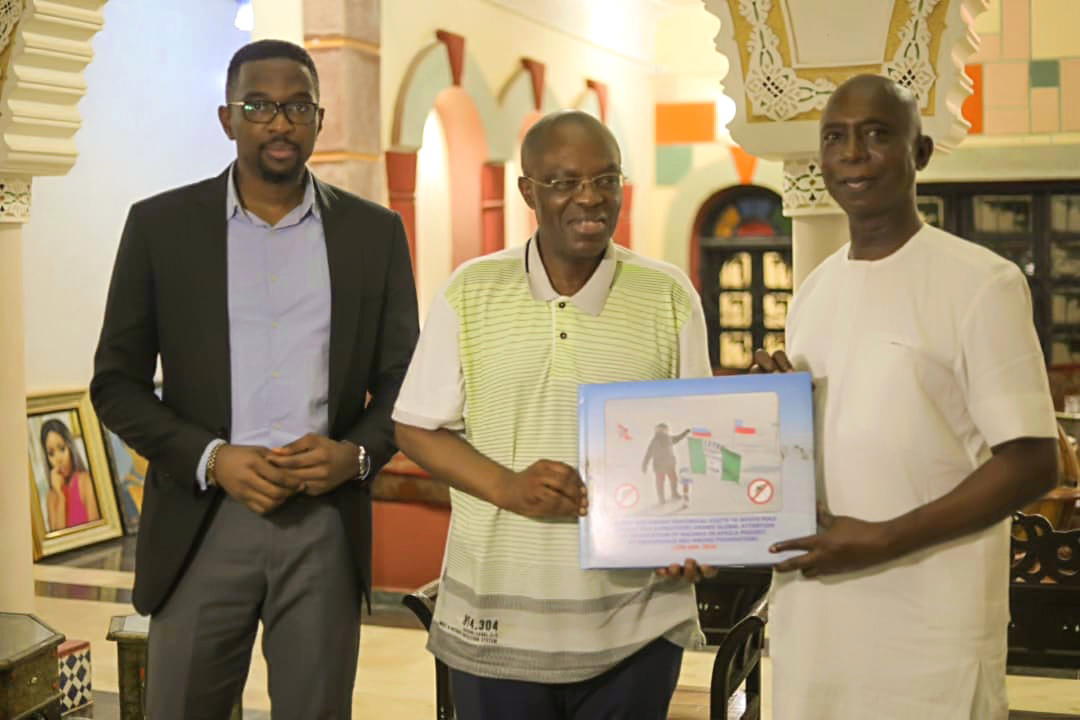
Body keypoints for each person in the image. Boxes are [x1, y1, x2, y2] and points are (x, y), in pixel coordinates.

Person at [90, 39, 418, 719]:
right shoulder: (160, 227)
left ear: (319, 119)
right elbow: (116, 383)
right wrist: (212, 458)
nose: (279, 123)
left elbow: (403, 384)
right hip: (202, 519)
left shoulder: (373, 234)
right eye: (259, 106)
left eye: (297, 107)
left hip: (323, 525)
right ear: (227, 118)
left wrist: (354, 456)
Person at [393, 110, 715, 720]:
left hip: (637, 621)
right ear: (528, 192)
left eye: (606, 179)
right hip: (496, 616)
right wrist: (507, 487)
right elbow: (414, 426)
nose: (589, 198)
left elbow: (698, 436)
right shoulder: (471, 290)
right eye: (564, 182)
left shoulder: (668, 295)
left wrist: (693, 535)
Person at [754, 75, 1058, 719]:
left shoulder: (981, 283)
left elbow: (1034, 461)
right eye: (835, 137)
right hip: (817, 622)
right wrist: (767, 408)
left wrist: (884, 539)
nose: (852, 154)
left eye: (876, 134)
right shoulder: (813, 293)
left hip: (928, 628)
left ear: (918, 152)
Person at [40, 418, 100, 530]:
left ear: (70, 447)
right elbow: (59, 537)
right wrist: (60, 496)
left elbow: (96, 531)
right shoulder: (51, 497)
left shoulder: (86, 481)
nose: (58, 459)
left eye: (62, 449)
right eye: (51, 453)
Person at [641, 423, 691, 503]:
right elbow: (649, 453)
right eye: (663, 430)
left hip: (668, 464)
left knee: (672, 479)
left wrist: (685, 433)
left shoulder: (668, 438)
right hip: (660, 465)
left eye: (665, 430)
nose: (665, 431)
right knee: (661, 482)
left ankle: (673, 494)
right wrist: (644, 465)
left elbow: (677, 438)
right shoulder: (655, 440)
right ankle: (662, 498)